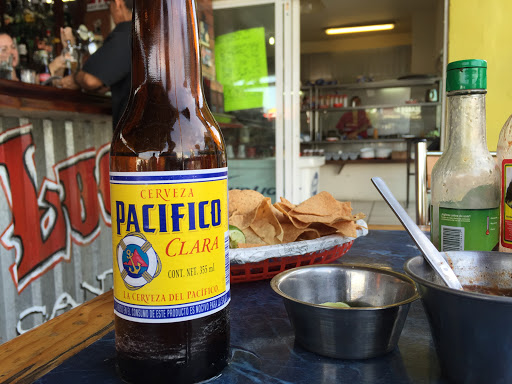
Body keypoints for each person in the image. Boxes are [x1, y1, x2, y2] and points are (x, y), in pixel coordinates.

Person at [60, 0, 133, 129]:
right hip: (161, 138)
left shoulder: (126, 33)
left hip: (135, 137)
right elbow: (108, 83)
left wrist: (75, 78)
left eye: (109, 5)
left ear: (118, 4)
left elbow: (90, 80)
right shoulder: (151, 34)